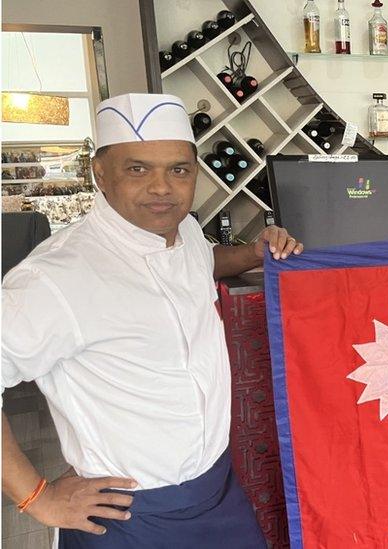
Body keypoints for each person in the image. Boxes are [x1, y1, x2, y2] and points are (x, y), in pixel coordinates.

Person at [1, 93, 304, 548]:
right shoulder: (57, 275)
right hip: (128, 516)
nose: (162, 187)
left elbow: (203, 264)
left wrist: (251, 252)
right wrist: (37, 498)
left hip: (219, 492)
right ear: (100, 175)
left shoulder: (185, 235)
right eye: (137, 169)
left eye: (178, 170)